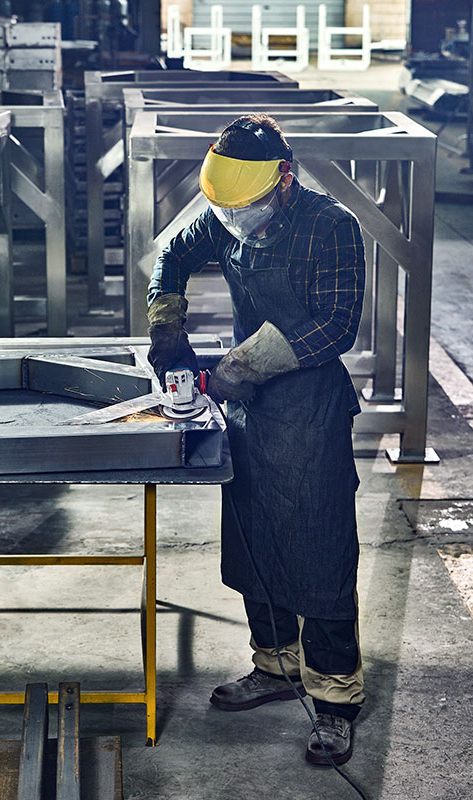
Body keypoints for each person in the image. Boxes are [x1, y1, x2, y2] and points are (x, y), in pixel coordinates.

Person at [146, 113, 366, 766]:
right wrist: (166, 324)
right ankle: (274, 667)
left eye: (245, 206)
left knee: (319, 555)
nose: (233, 219)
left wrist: (238, 367)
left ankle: (333, 700)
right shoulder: (227, 208)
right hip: (248, 416)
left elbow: (335, 327)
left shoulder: (331, 227)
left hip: (309, 411)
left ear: (284, 181)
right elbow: (172, 255)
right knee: (255, 541)